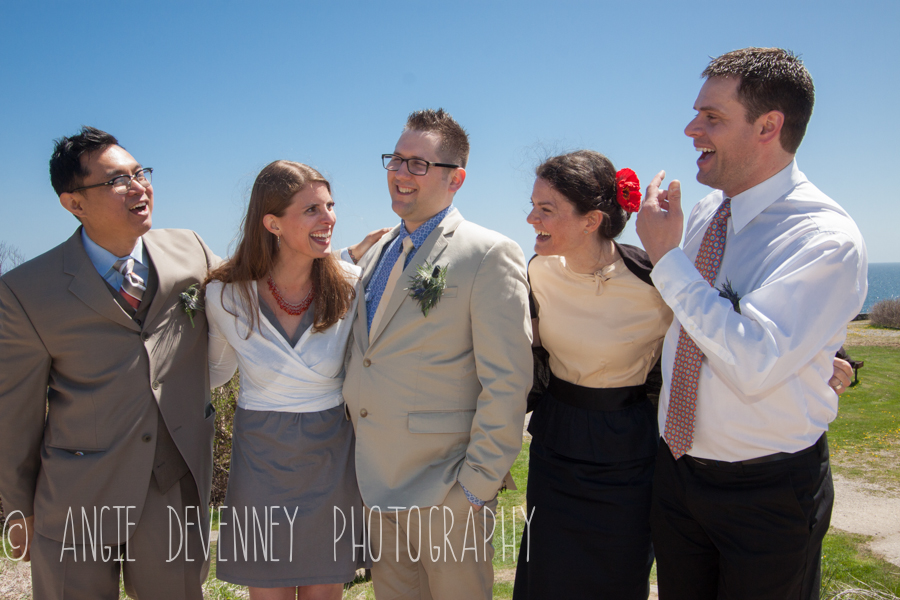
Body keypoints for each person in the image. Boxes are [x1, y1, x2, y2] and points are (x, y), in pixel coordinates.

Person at [636, 47, 867, 599]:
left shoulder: (824, 238)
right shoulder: (703, 213)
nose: (691, 129)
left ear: (768, 126)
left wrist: (667, 260)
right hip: (677, 475)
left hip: (768, 495)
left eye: (712, 116)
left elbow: (755, 361)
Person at [0, 126, 218, 600]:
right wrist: (19, 510)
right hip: (76, 494)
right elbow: (14, 415)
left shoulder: (191, 250)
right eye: (118, 180)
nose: (139, 187)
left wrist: (345, 264)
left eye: (141, 173)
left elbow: (255, 291)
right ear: (73, 203)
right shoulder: (25, 291)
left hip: (172, 483)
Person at [341, 108, 532, 599]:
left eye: (418, 164)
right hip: (377, 485)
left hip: (447, 490)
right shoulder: (379, 250)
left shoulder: (488, 253)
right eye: (395, 159)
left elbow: (507, 380)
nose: (400, 173)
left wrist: (474, 489)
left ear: (456, 178)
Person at [205, 160, 378, 600]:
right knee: (269, 589)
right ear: (272, 223)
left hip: (331, 454)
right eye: (312, 210)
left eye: (330, 206)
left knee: (325, 588)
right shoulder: (224, 295)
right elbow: (215, 370)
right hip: (260, 456)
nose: (329, 218)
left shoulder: (352, 285)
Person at [511, 151, 673, 599]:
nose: (531, 218)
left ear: (592, 220)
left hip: (629, 451)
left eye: (546, 209)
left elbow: (715, 320)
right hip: (556, 446)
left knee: (617, 578)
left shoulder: (655, 279)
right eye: (533, 205)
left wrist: (833, 356)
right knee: (547, 574)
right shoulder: (538, 271)